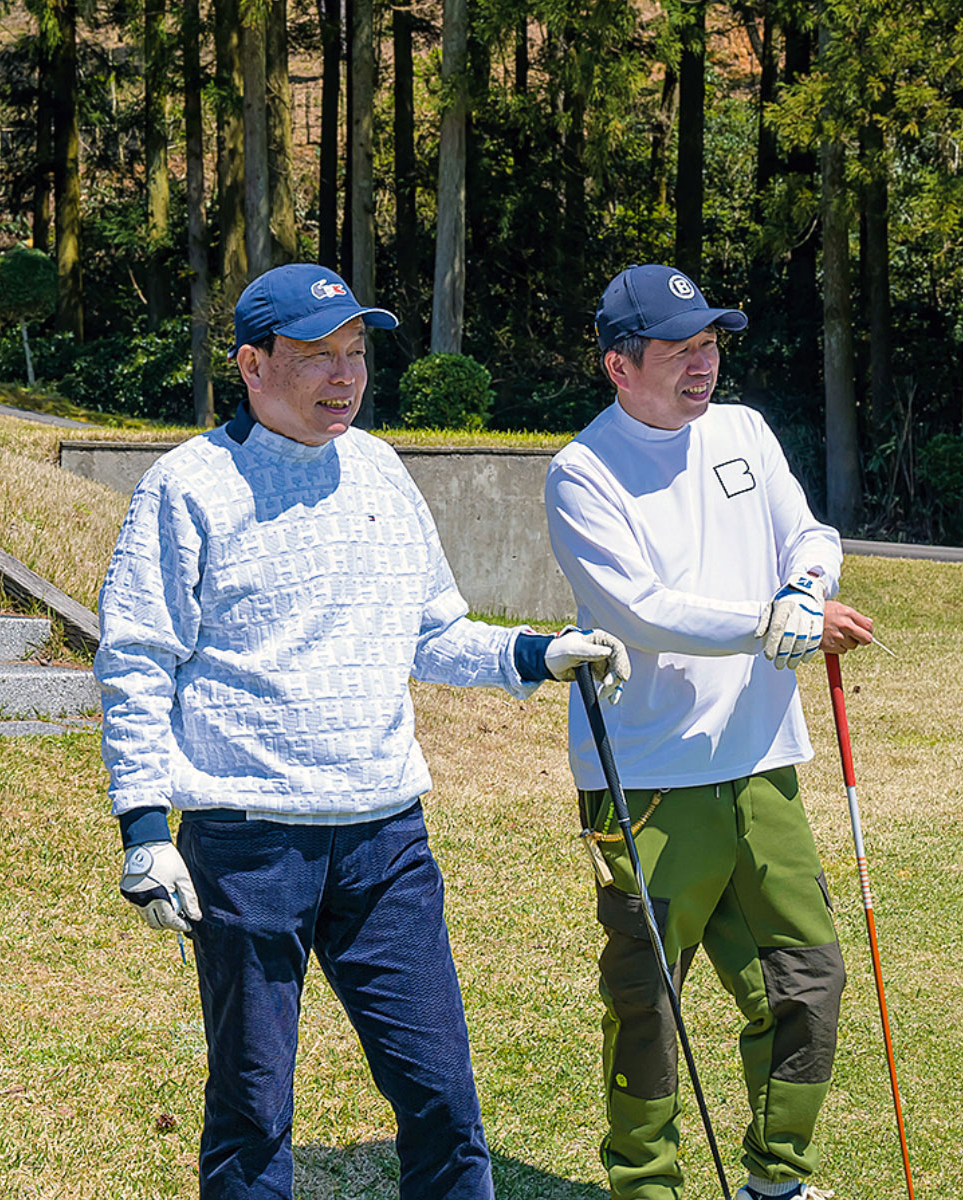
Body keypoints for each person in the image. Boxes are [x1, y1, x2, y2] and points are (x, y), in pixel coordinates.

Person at [94, 263, 633, 1200]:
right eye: (316, 356)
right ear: (252, 365)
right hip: (248, 840)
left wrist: (539, 653)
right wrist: (144, 828)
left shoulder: (380, 467)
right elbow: (137, 659)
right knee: (253, 1108)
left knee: (441, 1097)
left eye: (355, 353)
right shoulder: (186, 486)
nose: (345, 377)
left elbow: (432, 631)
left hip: (387, 838)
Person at [544, 265, 877, 1200]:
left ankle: (777, 1178)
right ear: (619, 364)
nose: (704, 364)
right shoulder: (583, 470)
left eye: (711, 343)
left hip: (765, 760)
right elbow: (640, 610)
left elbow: (807, 536)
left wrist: (805, 591)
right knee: (650, 999)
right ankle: (645, 1183)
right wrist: (769, 621)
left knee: (806, 980)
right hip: (651, 773)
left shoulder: (743, 431)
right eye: (680, 349)